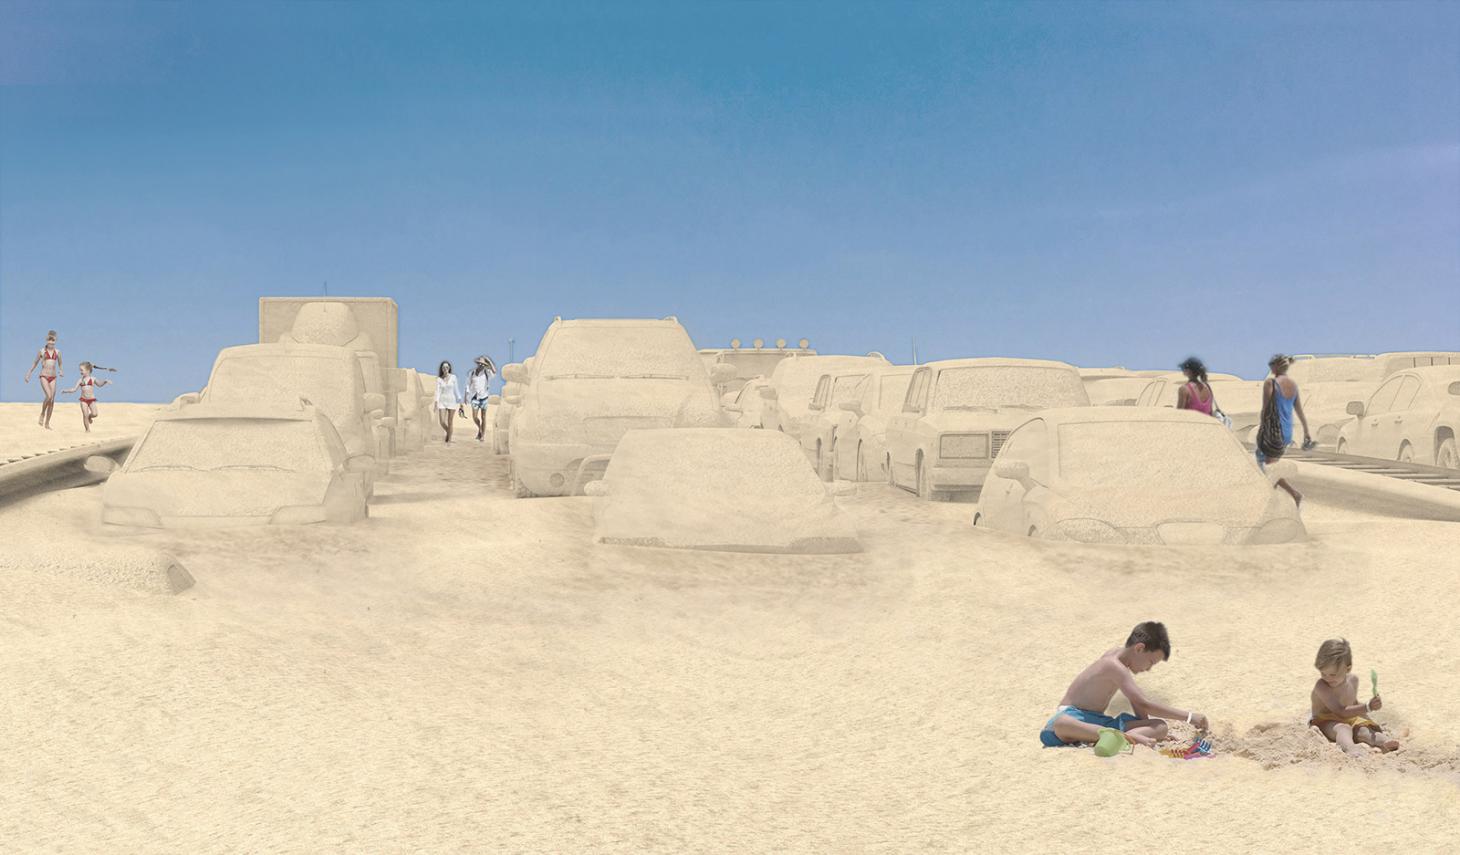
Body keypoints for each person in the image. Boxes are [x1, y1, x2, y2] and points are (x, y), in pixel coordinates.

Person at [1039, 621, 1209, 749]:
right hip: (1073, 717)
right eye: (1150, 662)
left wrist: (1145, 725)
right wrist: (1189, 717)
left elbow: (1136, 701)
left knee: (1160, 726)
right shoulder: (1113, 665)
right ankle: (1122, 737)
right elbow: (1143, 703)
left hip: (1097, 722)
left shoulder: (1118, 659)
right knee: (1062, 724)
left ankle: (1117, 738)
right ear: (1139, 649)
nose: (1148, 668)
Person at [1310, 638, 1398, 756]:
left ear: (1348, 668)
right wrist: (1367, 707)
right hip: (1325, 720)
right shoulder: (1322, 686)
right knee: (1343, 728)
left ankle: (1385, 741)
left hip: (1348, 717)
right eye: (1323, 673)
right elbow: (1340, 711)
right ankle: (1350, 748)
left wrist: (1368, 717)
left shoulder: (1353, 680)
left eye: (1332, 674)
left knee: (1364, 730)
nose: (1327, 678)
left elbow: (1353, 703)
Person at [1256, 354, 1311, 506]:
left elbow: (1265, 409)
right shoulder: (1293, 385)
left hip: (1273, 430)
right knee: (1271, 466)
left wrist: (1262, 429)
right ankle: (1272, 498)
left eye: (1271, 366)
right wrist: (1306, 432)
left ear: (1276, 366)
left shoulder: (1270, 383)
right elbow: (1299, 410)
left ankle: (1294, 494)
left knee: (1268, 468)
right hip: (1286, 431)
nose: (1270, 369)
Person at [23, 330, 62, 429]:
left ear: (55, 341)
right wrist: (29, 373)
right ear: (46, 340)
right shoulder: (42, 351)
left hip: (53, 377)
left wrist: (61, 370)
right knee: (48, 396)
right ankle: (42, 413)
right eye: (49, 340)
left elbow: (60, 363)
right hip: (44, 376)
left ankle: (47, 423)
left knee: (52, 400)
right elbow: (35, 363)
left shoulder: (58, 352)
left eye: (53, 340)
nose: (51, 342)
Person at [61, 361, 111, 432]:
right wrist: (66, 391)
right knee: (85, 415)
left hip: (91, 400)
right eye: (80, 370)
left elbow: (99, 384)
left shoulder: (93, 379)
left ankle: (90, 417)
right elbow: (74, 389)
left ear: (87, 370)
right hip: (83, 400)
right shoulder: (80, 380)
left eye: (82, 370)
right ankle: (87, 430)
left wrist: (105, 381)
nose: (80, 372)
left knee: (95, 414)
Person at [465, 355, 497, 442]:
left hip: (484, 397)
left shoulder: (487, 373)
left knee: (483, 417)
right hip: (474, 397)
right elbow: (467, 385)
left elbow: (494, 371)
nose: (481, 365)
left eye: (483, 364)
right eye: (480, 364)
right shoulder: (472, 373)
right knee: (475, 417)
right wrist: (466, 396)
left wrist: (489, 361)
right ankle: (480, 429)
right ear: (477, 364)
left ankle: (482, 435)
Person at [434, 360, 464, 444]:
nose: (445, 368)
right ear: (441, 369)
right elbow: (438, 391)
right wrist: (436, 402)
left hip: (452, 401)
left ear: (449, 368)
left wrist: (460, 401)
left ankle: (449, 440)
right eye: (443, 367)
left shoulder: (453, 377)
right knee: (442, 421)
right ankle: (449, 432)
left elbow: (456, 390)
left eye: (447, 367)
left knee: (450, 421)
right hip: (442, 402)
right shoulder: (439, 379)